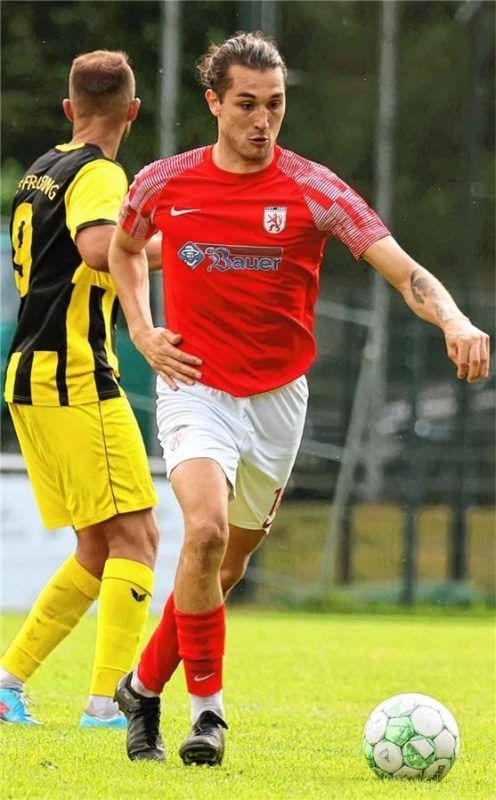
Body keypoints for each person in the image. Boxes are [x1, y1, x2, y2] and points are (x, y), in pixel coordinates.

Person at [109, 32, 490, 763]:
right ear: (214, 102)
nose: (262, 120)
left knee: (223, 568)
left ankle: (142, 687)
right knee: (206, 531)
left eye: (275, 105)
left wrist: (455, 317)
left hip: (280, 399)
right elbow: (126, 250)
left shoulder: (315, 190)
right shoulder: (164, 182)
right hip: (196, 387)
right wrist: (143, 328)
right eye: (246, 104)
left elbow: (403, 270)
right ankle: (208, 716)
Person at [0, 50, 183, 729]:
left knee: (99, 548)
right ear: (132, 112)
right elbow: (103, 249)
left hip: (30, 374)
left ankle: (7, 681)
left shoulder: (40, 171)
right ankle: (108, 703)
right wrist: (184, 242)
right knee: (139, 539)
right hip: (75, 374)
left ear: (69, 109)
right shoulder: (101, 174)